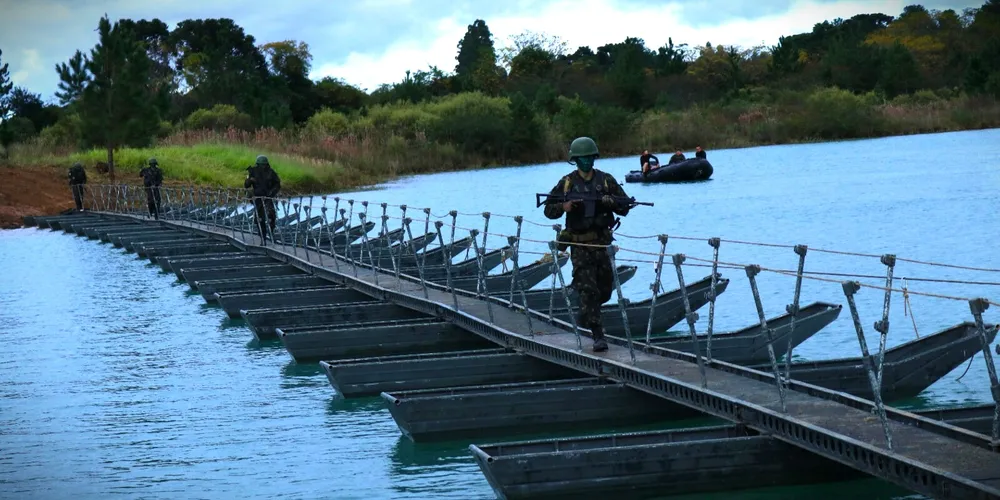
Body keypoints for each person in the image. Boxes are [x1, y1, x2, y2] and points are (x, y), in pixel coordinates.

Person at [543, 136, 632, 353]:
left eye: (589, 158)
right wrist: (563, 207)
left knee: (605, 289)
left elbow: (625, 206)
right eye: (581, 158)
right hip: (580, 246)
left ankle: (586, 312)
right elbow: (548, 209)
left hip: (602, 244)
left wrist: (613, 203)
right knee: (588, 289)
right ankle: (597, 334)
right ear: (575, 159)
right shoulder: (566, 183)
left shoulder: (606, 181)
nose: (586, 162)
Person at [244, 155, 281, 242]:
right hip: (258, 197)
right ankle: (263, 236)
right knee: (259, 218)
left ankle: (270, 232)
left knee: (271, 215)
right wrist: (250, 180)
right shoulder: (253, 171)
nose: (262, 167)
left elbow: (277, 184)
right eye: (261, 165)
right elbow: (246, 185)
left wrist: (272, 193)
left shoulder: (271, 172)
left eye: (263, 165)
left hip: (268, 197)